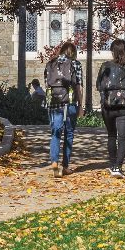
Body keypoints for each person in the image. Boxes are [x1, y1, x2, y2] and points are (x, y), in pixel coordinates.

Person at [96, 37, 125, 178]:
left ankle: (112, 164)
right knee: (122, 138)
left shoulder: (105, 66)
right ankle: (118, 166)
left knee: (111, 135)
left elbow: (99, 86)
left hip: (108, 107)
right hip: (124, 109)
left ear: (112, 51)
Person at [43, 37, 82, 175]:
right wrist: (80, 106)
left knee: (55, 132)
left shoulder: (50, 63)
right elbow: (78, 87)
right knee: (69, 133)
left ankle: (54, 161)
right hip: (69, 102)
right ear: (74, 53)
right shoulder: (76, 64)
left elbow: (47, 84)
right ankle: (65, 166)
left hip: (54, 102)